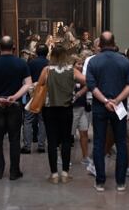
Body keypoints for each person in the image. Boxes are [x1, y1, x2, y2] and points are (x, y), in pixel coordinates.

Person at [87, 31, 129, 192]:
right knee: (121, 142)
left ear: (99, 44)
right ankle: (120, 182)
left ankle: (100, 181)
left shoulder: (94, 61)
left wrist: (105, 101)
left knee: (99, 143)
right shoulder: (124, 61)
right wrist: (117, 100)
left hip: (100, 107)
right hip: (119, 107)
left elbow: (92, 86)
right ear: (114, 43)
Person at [0, 36, 32, 180]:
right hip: (14, 106)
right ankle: (14, 171)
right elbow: (28, 84)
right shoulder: (21, 63)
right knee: (15, 139)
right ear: (14, 47)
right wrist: (15, 97)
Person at [38, 44, 85, 184]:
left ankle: (53, 174)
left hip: (49, 109)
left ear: (52, 56)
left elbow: (39, 87)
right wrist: (77, 95)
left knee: (51, 141)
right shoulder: (72, 70)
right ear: (66, 56)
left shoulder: (46, 70)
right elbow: (88, 81)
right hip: (66, 109)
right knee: (66, 141)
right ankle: (65, 173)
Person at [21, 43, 48, 154]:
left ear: (36, 52)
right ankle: (41, 145)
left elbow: (26, 79)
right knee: (43, 120)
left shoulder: (30, 63)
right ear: (47, 53)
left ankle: (27, 146)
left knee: (28, 120)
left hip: (32, 94)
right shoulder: (49, 64)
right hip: (45, 94)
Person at [71, 55, 91, 165]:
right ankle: (64, 157)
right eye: (78, 64)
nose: (81, 66)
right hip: (72, 109)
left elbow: (89, 84)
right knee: (69, 135)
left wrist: (79, 93)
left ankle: (85, 157)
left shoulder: (83, 76)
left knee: (84, 132)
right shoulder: (69, 75)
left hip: (82, 107)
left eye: (81, 64)